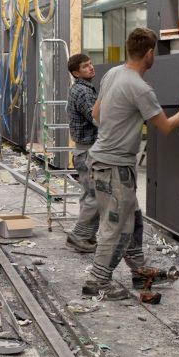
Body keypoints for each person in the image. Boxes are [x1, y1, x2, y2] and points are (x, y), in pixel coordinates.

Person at [82, 28, 179, 300]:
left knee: (133, 219)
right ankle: (97, 282)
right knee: (117, 226)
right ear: (150, 53)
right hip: (115, 167)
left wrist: (120, 125)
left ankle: (139, 271)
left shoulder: (113, 74)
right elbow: (165, 127)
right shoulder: (141, 88)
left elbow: (96, 114)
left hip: (102, 161)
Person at [65, 53, 101, 253]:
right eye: (86, 66)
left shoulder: (81, 89)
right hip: (88, 152)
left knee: (89, 195)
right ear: (76, 73)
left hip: (83, 150)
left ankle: (86, 237)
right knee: (95, 196)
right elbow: (96, 118)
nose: (91, 67)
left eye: (90, 64)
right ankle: (79, 236)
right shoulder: (84, 92)